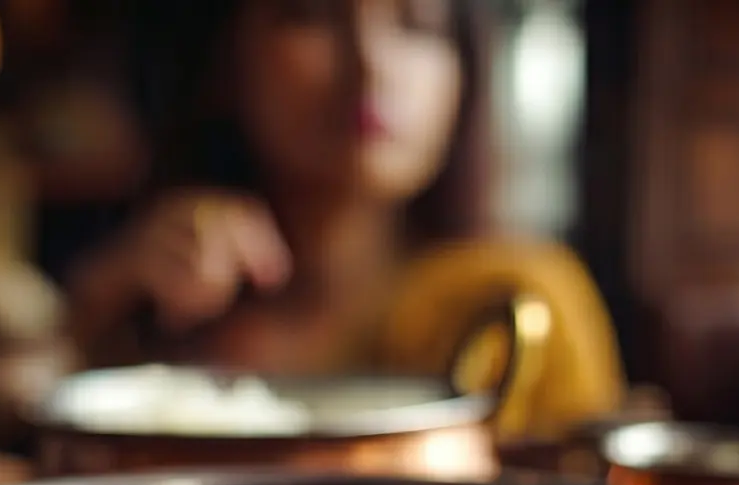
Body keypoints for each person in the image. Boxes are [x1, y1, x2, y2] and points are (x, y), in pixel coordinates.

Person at [65, 0, 624, 441]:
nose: (370, 63)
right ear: (226, 57)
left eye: (417, 23)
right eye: (313, 14)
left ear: (466, 70)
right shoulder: (161, 298)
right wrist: (105, 293)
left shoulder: (516, 302)